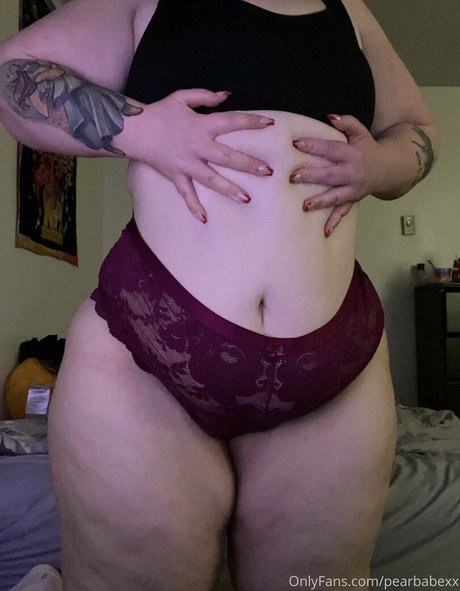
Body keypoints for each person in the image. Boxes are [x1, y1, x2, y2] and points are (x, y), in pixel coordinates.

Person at [0, 0, 438, 590]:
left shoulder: (349, 10)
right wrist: (140, 128)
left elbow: (416, 126)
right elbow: (13, 75)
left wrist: (381, 164)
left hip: (333, 366)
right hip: (148, 357)